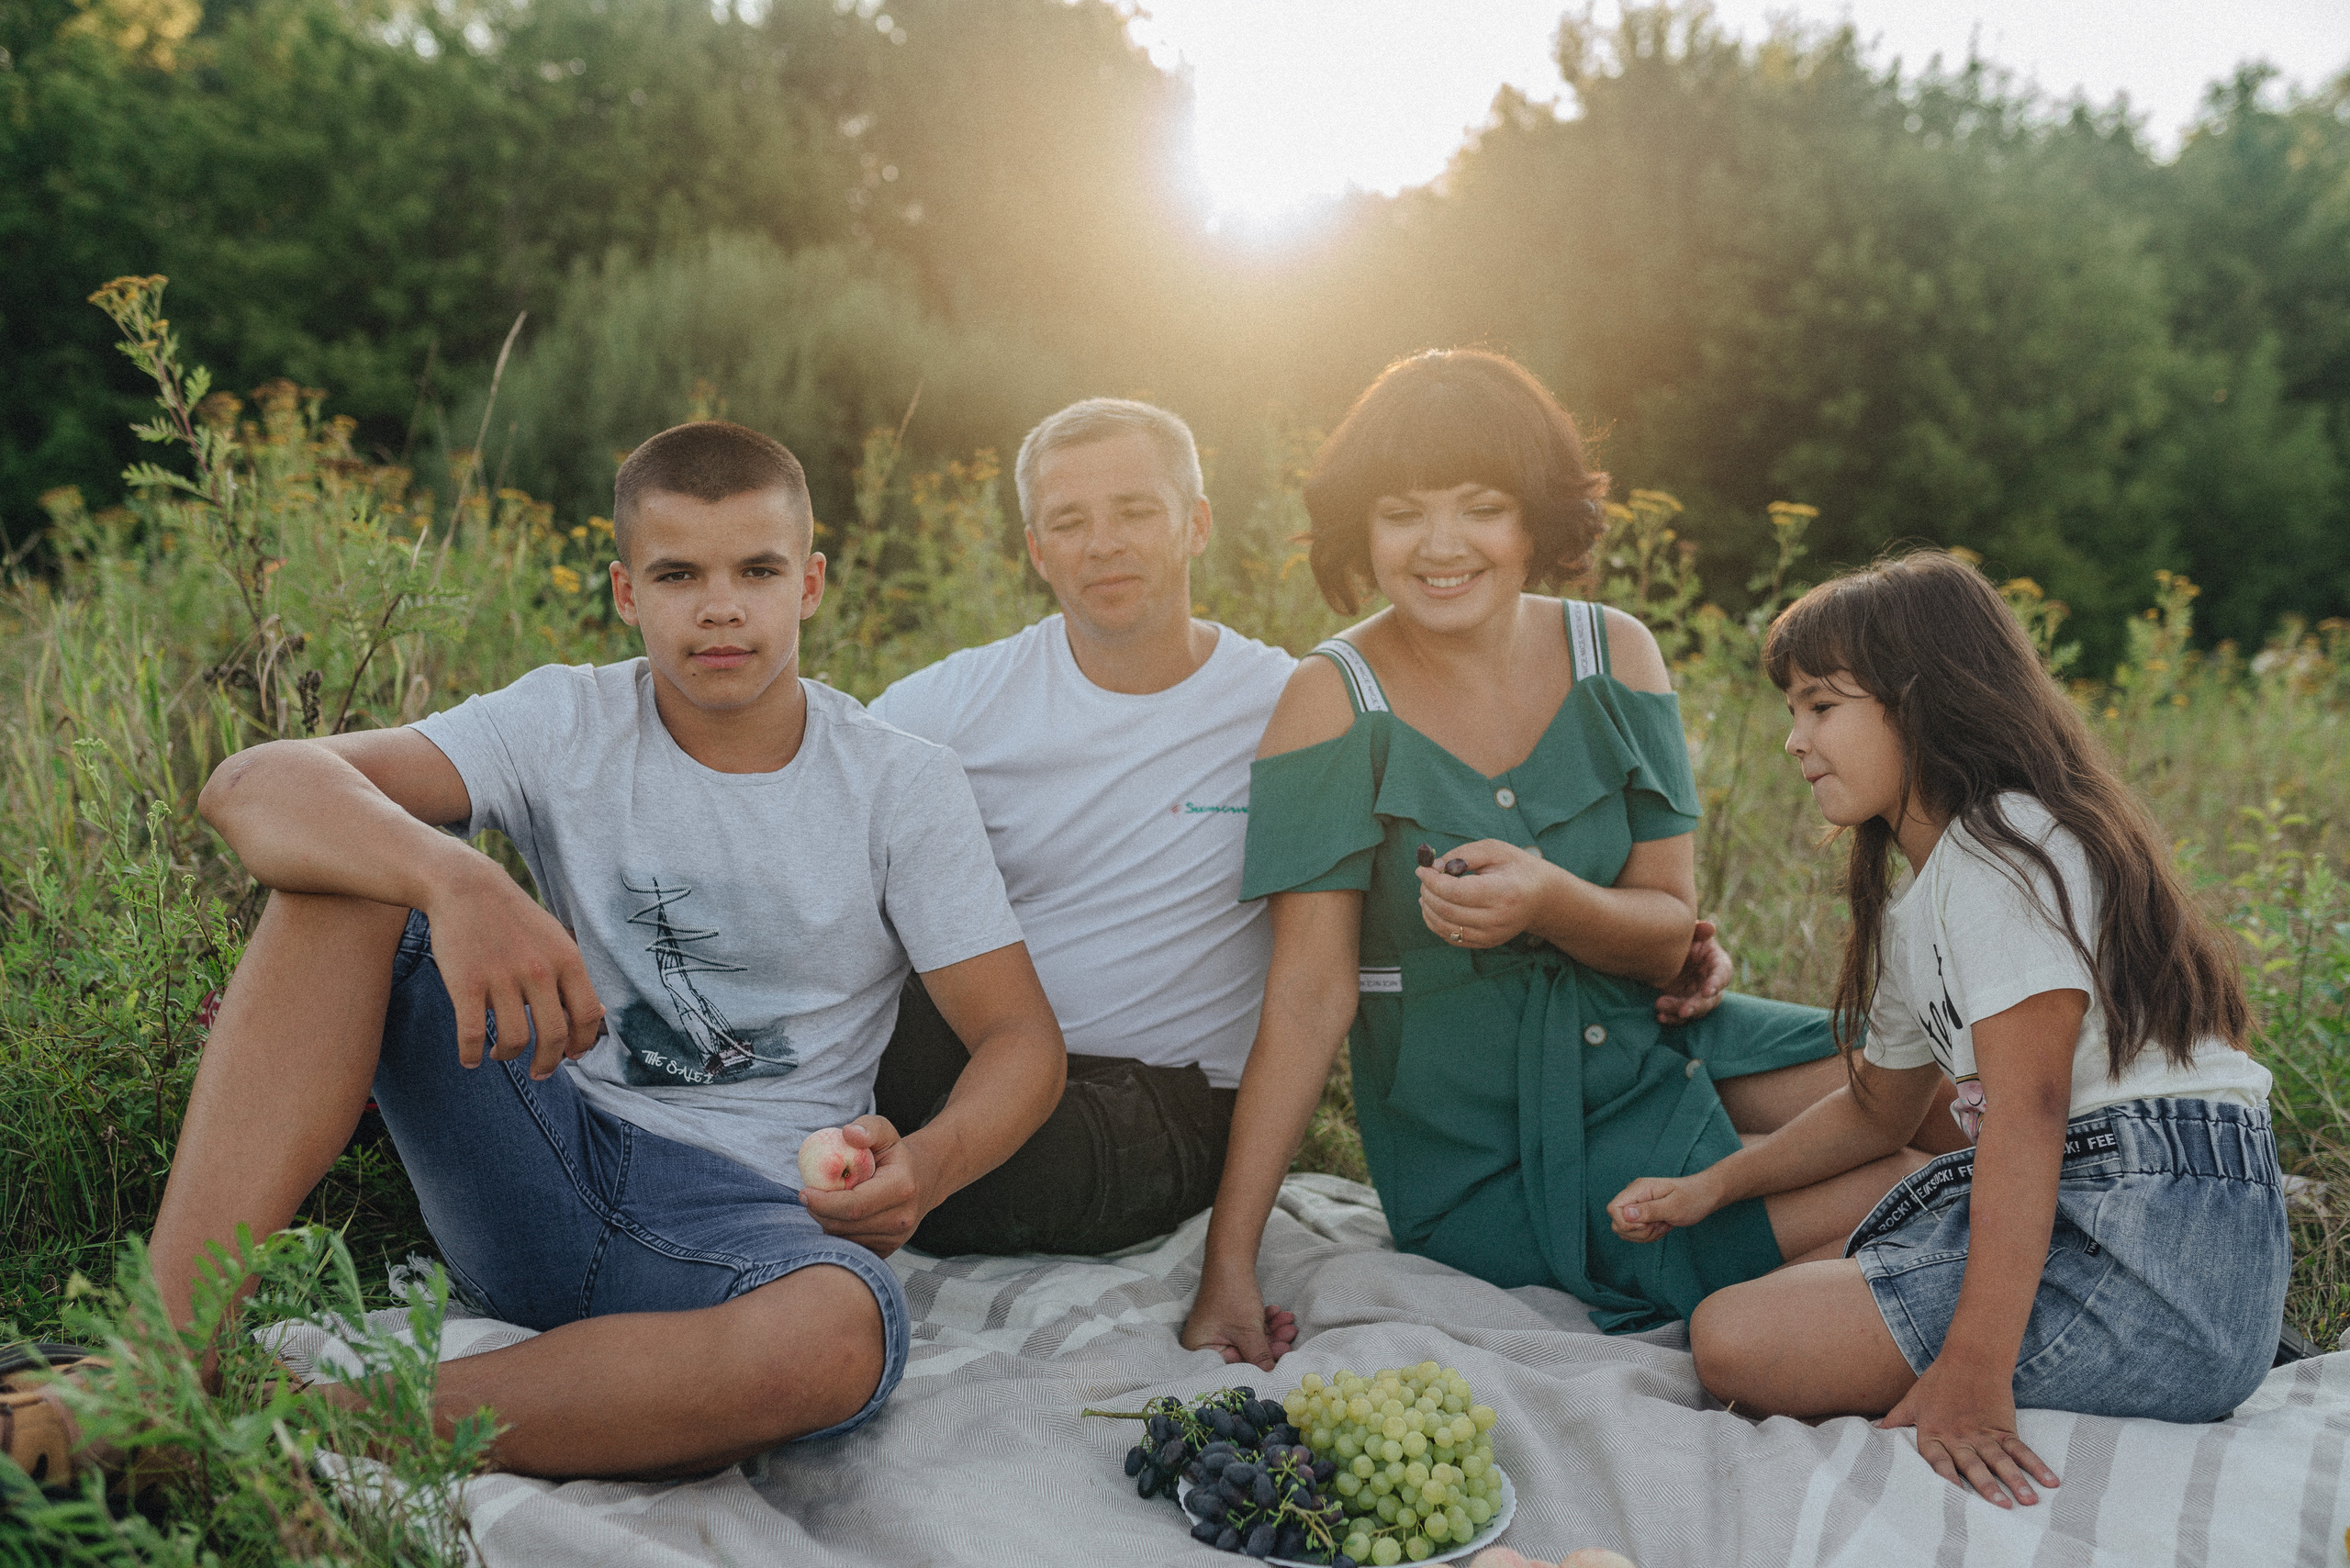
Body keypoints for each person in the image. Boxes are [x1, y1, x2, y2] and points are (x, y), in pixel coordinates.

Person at [28, 420, 1066, 1484]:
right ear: (625, 592)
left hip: (751, 1227)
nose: (719, 607)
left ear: (810, 583)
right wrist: (458, 878)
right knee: (344, 883)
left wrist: (927, 1168)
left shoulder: (900, 782)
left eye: (757, 570)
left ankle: (281, 1420)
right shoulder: (566, 720)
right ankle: (157, 1364)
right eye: (678, 574)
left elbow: (1021, 1040)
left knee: (841, 1337)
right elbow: (250, 785)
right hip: (535, 1160)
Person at [1182, 350, 1957, 1371]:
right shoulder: (1330, 702)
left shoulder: (1616, 653)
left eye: (1482, 508)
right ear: (1359, 528)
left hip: (1657, 1043)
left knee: (1946, 1100)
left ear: (1536, 520)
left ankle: (2092, 1284)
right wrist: (1227, 1266)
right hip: (1493, 1145)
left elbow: (1667, 935)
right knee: (1901, 1182)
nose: (1441, 546)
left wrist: (1549, 899)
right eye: (1403, 513)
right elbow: (1306, 997)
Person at [867, 398, 1741, 1265]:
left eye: (1135, 511)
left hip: (1163, 1099)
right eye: (1069, 522)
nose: (1103, 544)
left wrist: (1660, 938)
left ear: (1197, 525)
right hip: (989, 1057)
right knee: (829, 1106)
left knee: (916, 1188)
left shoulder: (1294, 705)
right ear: (1035, 549)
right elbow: (825, 820)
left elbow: (1453, 839)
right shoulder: (949, 705)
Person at [1606, 552, 2285, 1509]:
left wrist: (1974, 1368)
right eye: (1792, 711)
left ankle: (2076, 1349)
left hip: (2155, 1245)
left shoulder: (2006, 850)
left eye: (1821, 706)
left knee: (1732, 1341)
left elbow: (2028, 1112)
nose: (1795, 741)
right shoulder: (1924, 900)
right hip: (2103, 1214)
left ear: (1920, 700)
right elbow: (1876, 1112)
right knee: (1767, 1298)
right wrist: (1710, 1185)